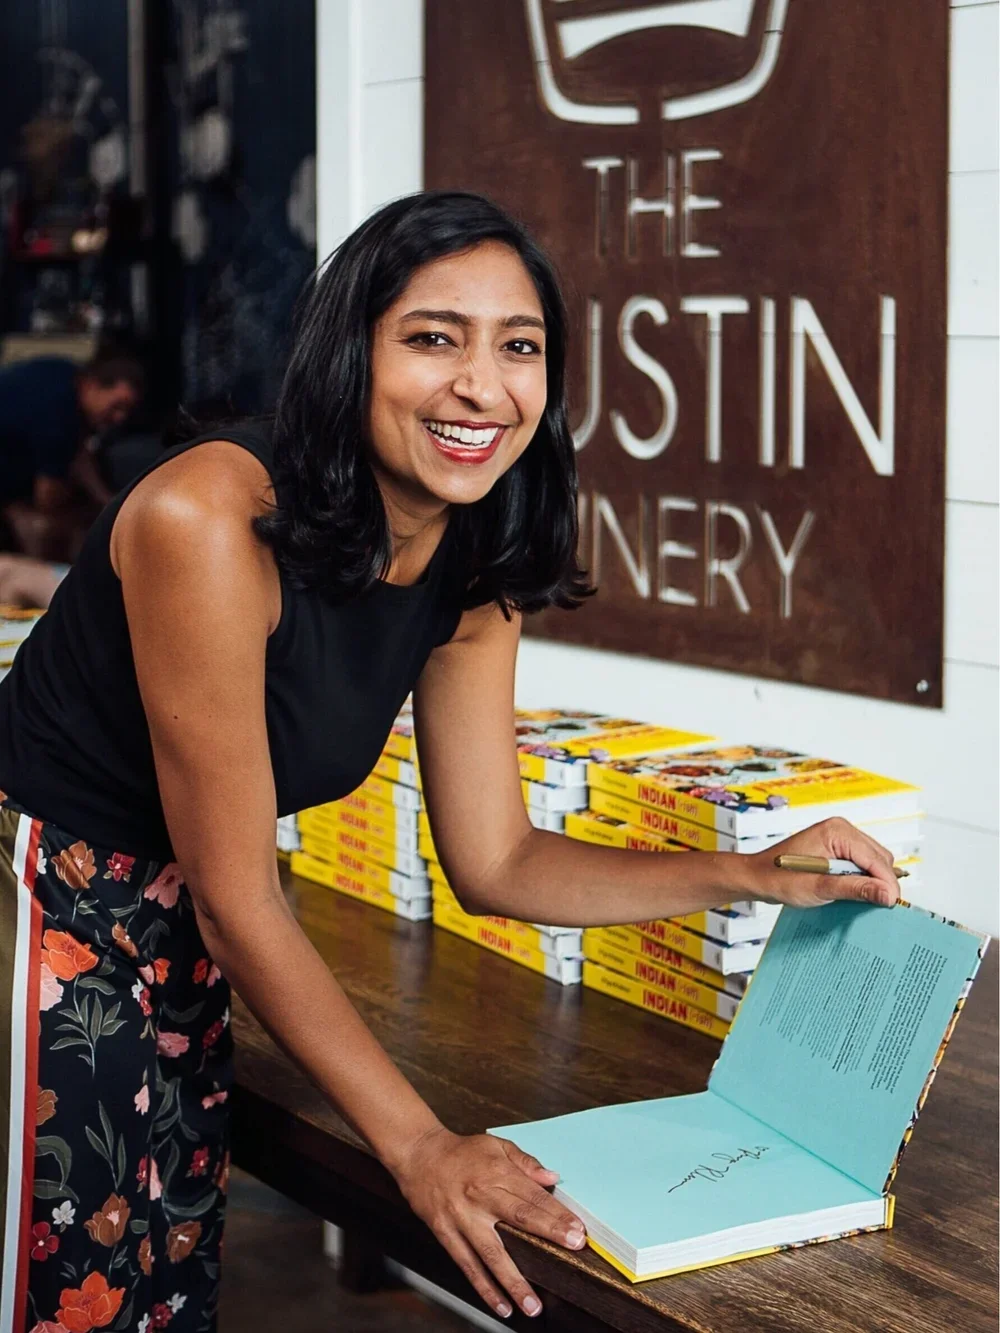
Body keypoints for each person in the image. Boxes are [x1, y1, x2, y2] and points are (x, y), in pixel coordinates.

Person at [0, 192, 899, 1331]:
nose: (482, 385)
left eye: (518, 347)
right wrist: (422, 1148)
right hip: (37, 912)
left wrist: (753, 873)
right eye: (434, 338)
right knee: (53, 1300)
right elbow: (236, 897)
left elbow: (499, 858)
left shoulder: (473, 551)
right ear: (350, 351)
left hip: (183, 942)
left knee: (159, 1297)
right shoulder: (207, 518)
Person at [0, 346, 144, 560]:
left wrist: (107, 501)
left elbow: (79, 456)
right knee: (47, 527)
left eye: (127, 411)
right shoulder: (59, 419)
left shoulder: (64, 372)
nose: (119, 418)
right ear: (91, 386)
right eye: (116, 406)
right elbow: (47, 497)